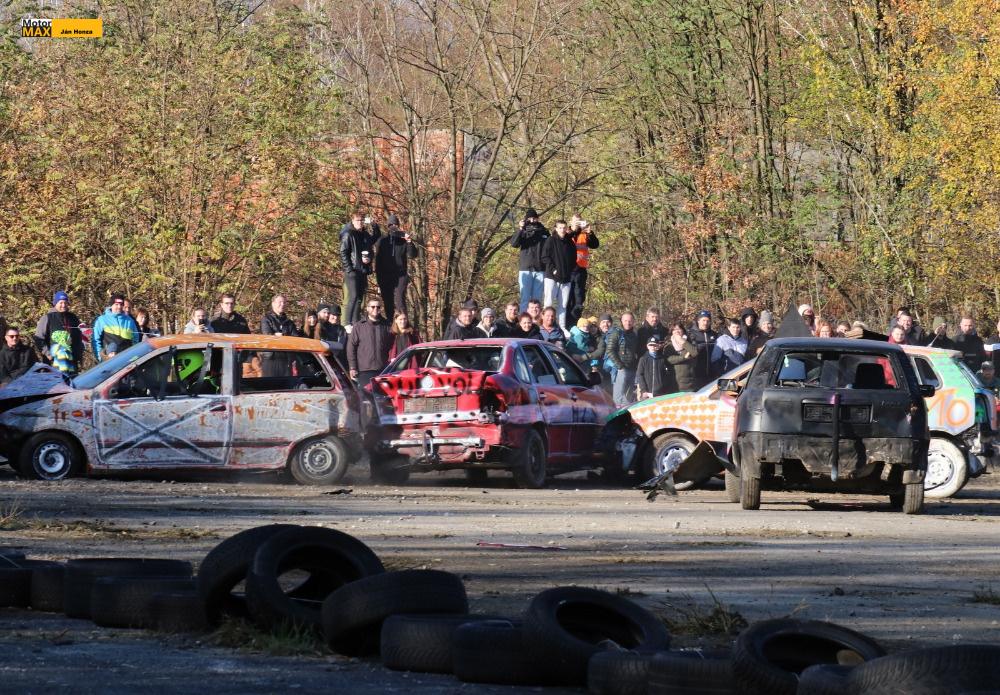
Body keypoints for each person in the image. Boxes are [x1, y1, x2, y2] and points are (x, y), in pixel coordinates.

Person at [340, 211, 382, 325]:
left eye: (362, 220)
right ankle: (347, 323)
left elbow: (375, 237)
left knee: (359, 298)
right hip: (352, 271)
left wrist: (374, 224)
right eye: (358, 220)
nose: (360, 222)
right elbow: (343, 252)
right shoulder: (348, 234)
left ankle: (354, 322)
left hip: (362, 270)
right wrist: (349, 269)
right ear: (353, 221)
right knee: (353, 296)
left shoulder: (364, 234)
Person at [373, 214, 417, 321]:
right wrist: (378, 278)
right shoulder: (382, 240)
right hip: (385, 275)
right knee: (387, 300)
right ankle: (390, 323)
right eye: (391, 225)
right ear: (388, 226)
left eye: (395, 224)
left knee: (399, 299)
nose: (393, 227)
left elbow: (412, 255)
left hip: (400, 275)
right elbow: (378, 261)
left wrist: (409, 242)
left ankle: (403, 322)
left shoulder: (403, 240)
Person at [34, 291, 86, 375]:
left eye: (65, 302)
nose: (63, 305)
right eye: (61, 302)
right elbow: (38, 338)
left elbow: (78, 338)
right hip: (54, 363)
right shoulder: (47, 318)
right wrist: (47, 353)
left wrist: (79, 353)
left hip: (72, 362)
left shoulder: (73, 318)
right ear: (55, 303)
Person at [347, 298, 392, 388]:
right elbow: (351, 348)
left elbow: (391, 346)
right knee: (367, 395)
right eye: (373, 307)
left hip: (383, 370)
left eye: (378, 307)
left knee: (382, 396)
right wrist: (352, 367)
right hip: (364, 370)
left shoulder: (386, 326)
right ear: (367, 308)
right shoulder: (359, 326)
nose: (375, 309)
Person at [510, 208, 550, 312]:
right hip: (525, 269)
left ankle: (536, 320)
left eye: (534, 218)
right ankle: (524, 319)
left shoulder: (544, 231)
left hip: (540, 269)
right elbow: (514, 244)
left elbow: (550, 249)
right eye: (530, 218)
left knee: (537, 300)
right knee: (525, 299)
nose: (532, 220)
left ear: (538, 218)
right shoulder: (523, 231)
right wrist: (520, 229)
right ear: (526, 219)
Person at [540, 220, 576, 329]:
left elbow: (574, 258)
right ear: (556, 228)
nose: (562, 230)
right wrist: (553, 269)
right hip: (551, 277)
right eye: (560, 228)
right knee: (548, 303)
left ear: (567, 228)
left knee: (563, 305)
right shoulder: (550, 240)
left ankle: (562, 327)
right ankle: (545, 327)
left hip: (566, 278)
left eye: (564, 228)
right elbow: (545, 257)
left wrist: (569, 271)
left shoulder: (570, 242)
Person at [565, 215, 599, 326]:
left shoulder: (584, 234)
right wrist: (573, 231)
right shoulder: (566, 232)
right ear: (571, 222)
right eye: (576, 222)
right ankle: (566, 324)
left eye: (579, 222)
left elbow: (595, 244)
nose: (578, 224)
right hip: (568, 270)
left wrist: (590, 233)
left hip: (580, 270)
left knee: (578, 301)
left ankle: (576, 324)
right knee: (567, 300)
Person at [92, 293, 140, 362]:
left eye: (121, 304)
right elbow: (96, 340)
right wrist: (100, 358)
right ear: (111, 305)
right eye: (116, 304)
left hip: (127, 360)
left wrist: (134, 356)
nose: (119, 307)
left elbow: (136, 339)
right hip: (109, 360)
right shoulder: (101, 320)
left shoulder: (130, 320)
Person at [606, 311, 640, 408]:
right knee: (618, 399)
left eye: (630, 321)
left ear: (633, 321)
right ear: (621, 321)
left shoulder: (634, 334)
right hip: (620, 369)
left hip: (632, 368)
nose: (628, 323)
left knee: (628, 399)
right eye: (625, 320)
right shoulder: (616, 333)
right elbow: (610, 350)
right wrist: (620, 366)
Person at [689, 310, 719, 388]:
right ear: (698, 321)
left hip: (712, 374)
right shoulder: (690, 334)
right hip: (696, 374)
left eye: (708, 321)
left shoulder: (714, 334)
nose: (705, 323)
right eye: (703, 320)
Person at [664, 323, 698, 392]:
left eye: (679, 329)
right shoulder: (669, 345)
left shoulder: (689, 342)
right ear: (671, 332)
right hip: (674, 383)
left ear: (683, 330)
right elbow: (668, 360)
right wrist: (683, 358)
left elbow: (695, 352)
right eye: (674, 330)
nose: (677, 331)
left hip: (689, 382)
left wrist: (682, 341)